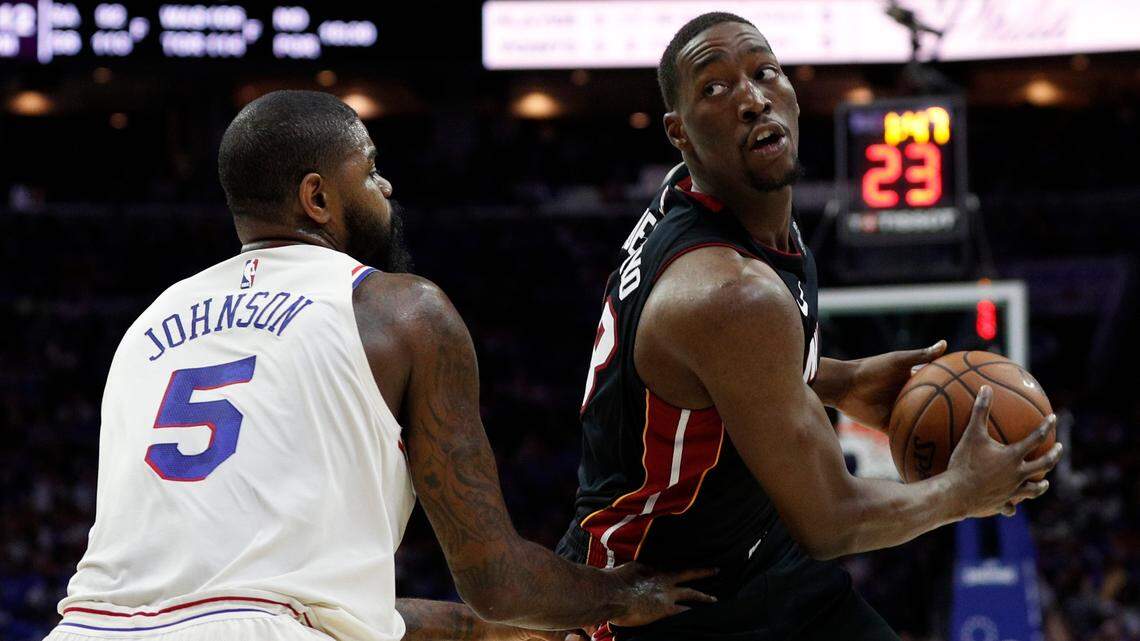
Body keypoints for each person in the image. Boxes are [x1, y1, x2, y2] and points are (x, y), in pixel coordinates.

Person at [44, 90, 714, 641]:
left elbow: (241, 597)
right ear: (318, 198)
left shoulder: (149, 324)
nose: (385, 185)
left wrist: (471, 630)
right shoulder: (401, 310)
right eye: (368, 171)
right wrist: (620, 592)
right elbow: (496, 579)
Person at [555, 13, 1063, 641]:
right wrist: (965, 491)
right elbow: (832, 522)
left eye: (764, 71)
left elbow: (707, 380)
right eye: (714, 88)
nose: (750, 97)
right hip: (657, 596)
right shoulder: (731, 292)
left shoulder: (733, 209)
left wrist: (840, 382)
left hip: (760, 559)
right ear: (678, 133)